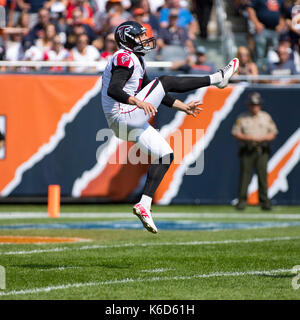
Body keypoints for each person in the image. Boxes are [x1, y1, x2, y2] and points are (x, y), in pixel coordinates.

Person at [101, 21, 239, 233]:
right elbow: (113, 89)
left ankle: (144, 204)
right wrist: (137, 102)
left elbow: (154, 90)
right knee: (164, 79)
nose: (143, 40)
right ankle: (217, 78)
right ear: (128, 39)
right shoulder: (123, 57)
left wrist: (180, 106)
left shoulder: (135, 59)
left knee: (165, 154)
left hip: (125, 123)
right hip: (123, 115)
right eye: (138, 37)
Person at [232, 92, 278, 211]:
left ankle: (265, 202)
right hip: (247, 149)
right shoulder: (242, 117)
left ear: (260, 105)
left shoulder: (266, 116)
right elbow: (236, 133)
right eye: (252, 105)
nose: (254, 107)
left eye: (256, 105)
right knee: (245, 177)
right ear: (249, 105)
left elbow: (273, 133)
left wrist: (263, 138)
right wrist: (250, 139)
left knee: (262, 177)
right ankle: (241, 202)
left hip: (262, 149)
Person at [246, 0, 286, 71]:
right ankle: (260, 77)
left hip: (275, 31)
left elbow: (283, 13)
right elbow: (250, 9)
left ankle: (275, 74)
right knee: (260, 55)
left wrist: (281, 24)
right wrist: (256, 23)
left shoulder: (280, 1)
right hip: (262, 30)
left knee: (275, 54)